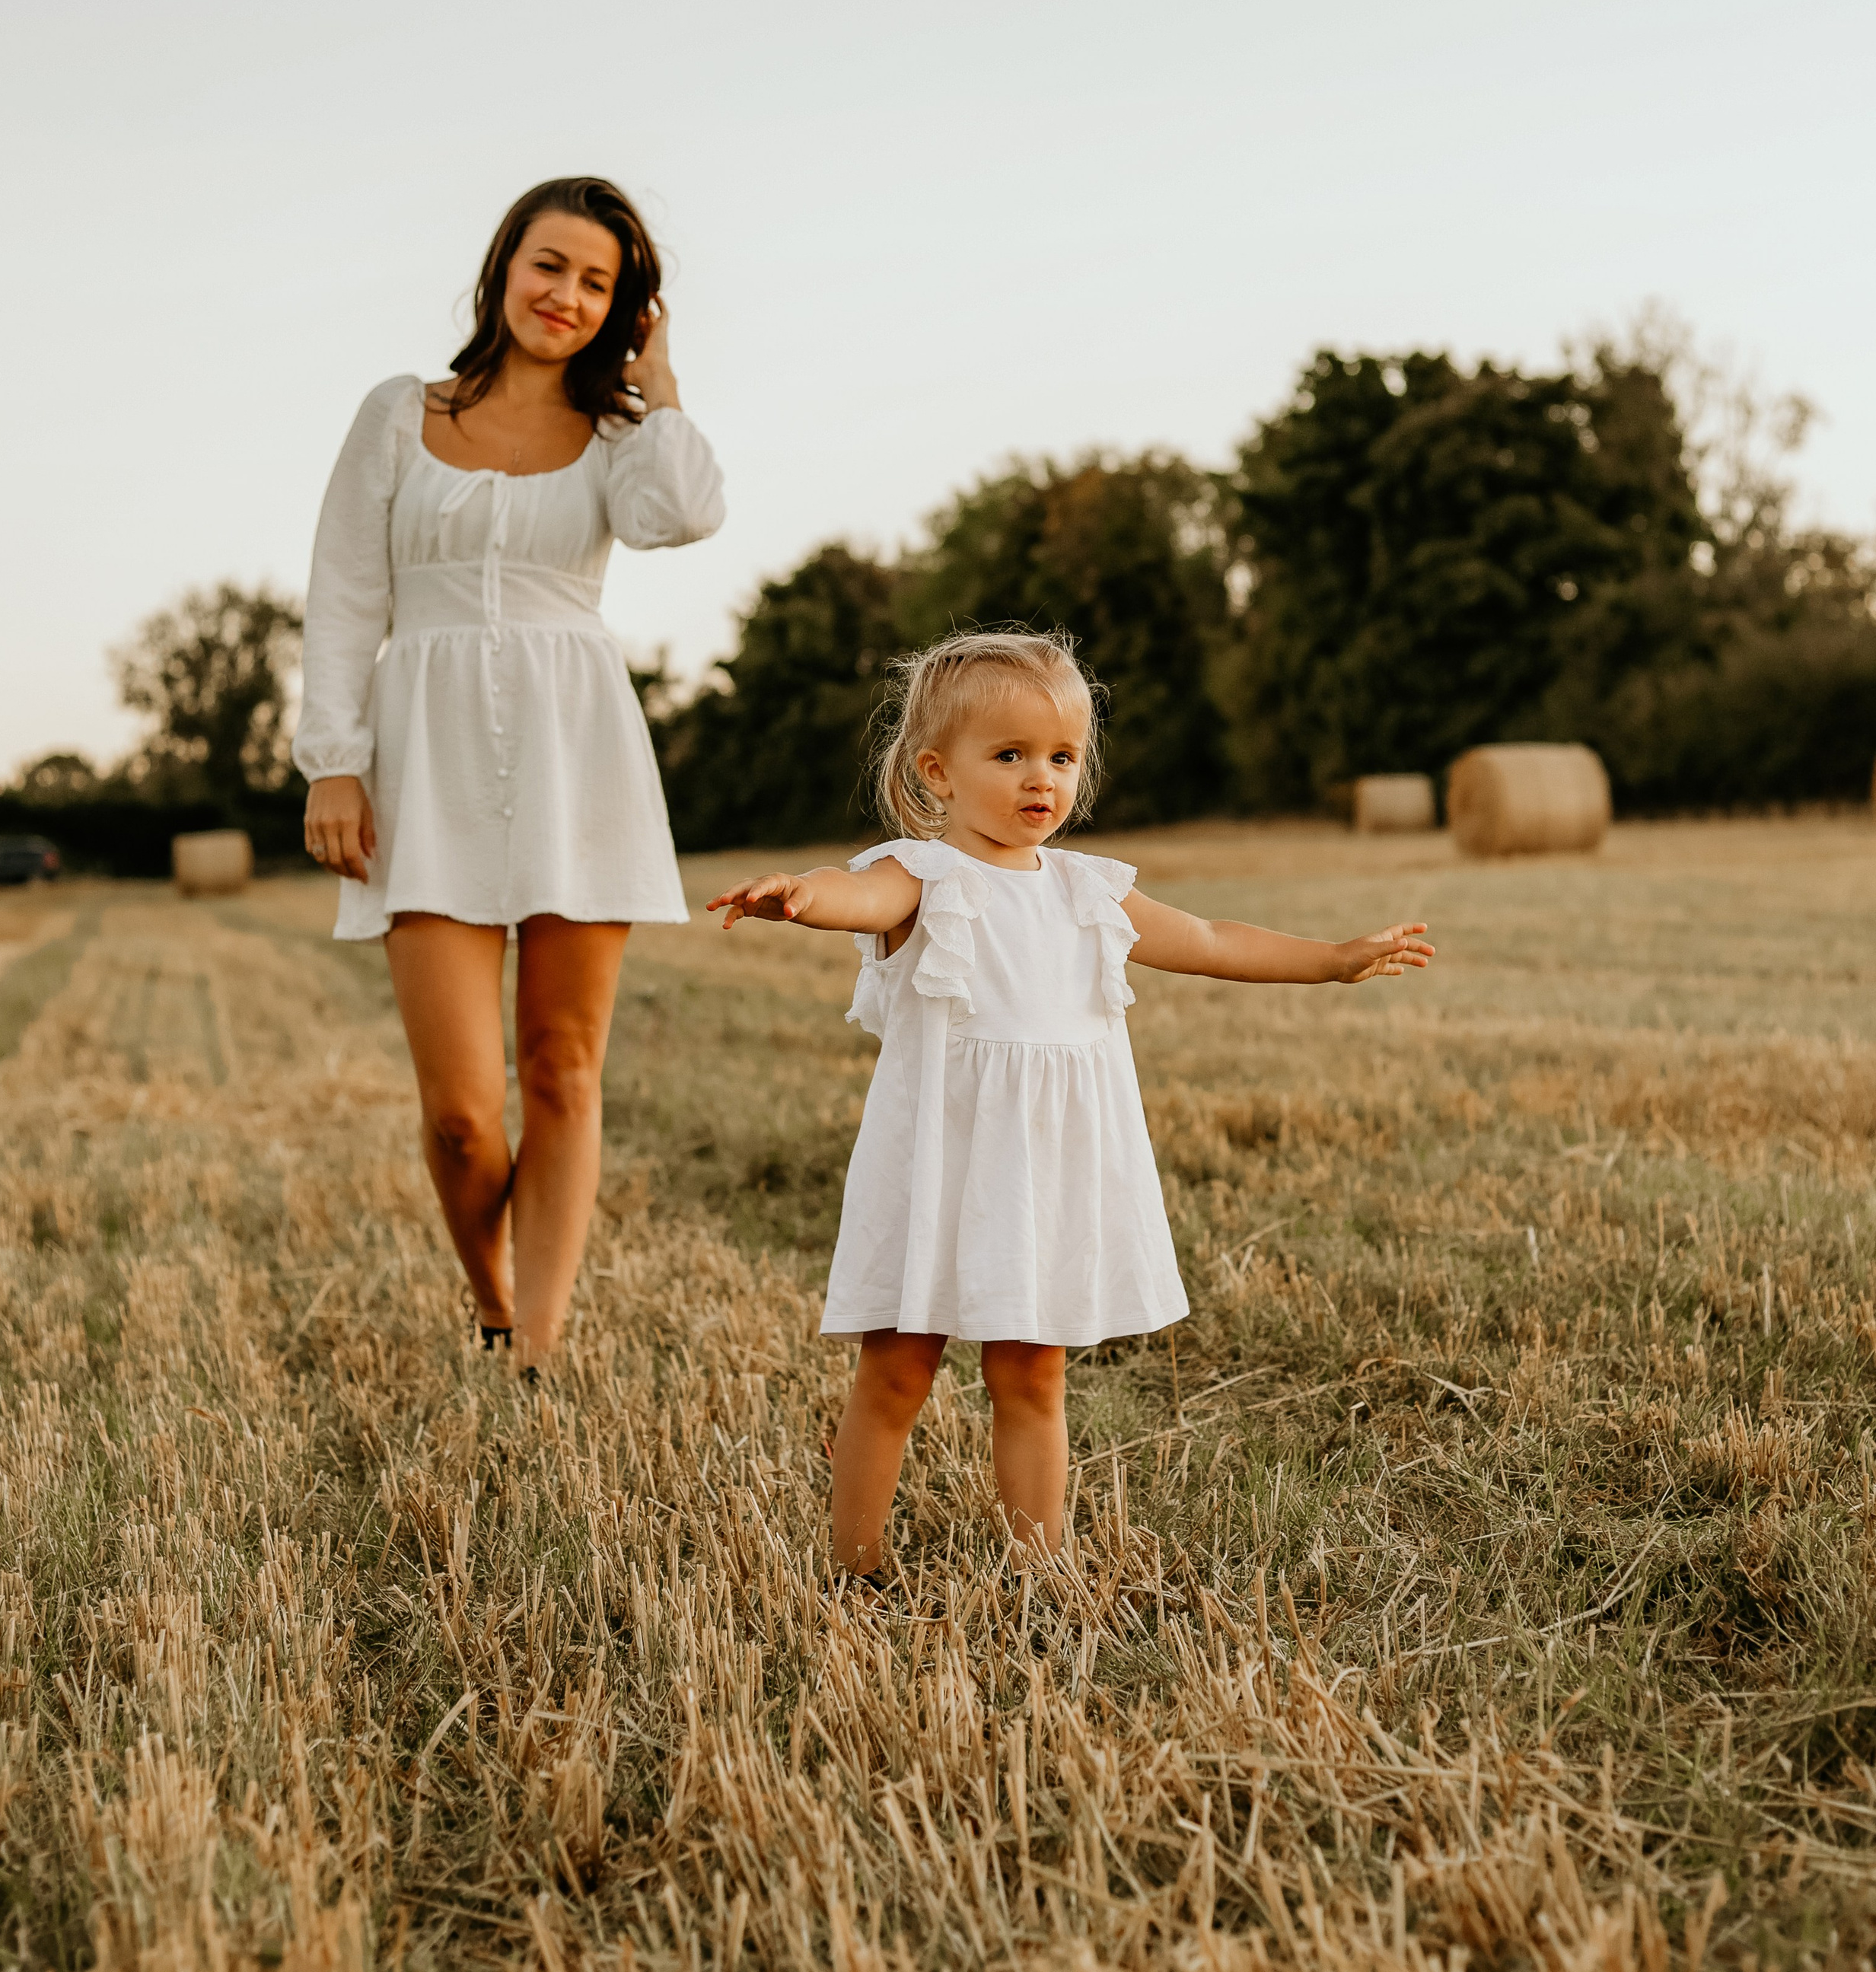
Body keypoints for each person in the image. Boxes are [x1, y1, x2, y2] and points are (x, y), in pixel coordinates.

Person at [708, 629, 1435, 1572]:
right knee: (895, 1370)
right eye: (1007, 755)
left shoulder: (1090, 892)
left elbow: (1212, 939)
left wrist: (1330, 960)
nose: (1038, 779)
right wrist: (796, 898)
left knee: (1034, 1373)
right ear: (938, 771)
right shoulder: (924, 877)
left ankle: (1037, 1568)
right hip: (939, 1162)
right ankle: (855, 1566)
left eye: (1059, 756)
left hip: (1042, 1177)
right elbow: (854, 895)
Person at [294, 177, 724, 1375]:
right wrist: (335, 764)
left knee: (563, 1067)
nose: (568, 297)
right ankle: (491, 1293)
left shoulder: (624, 437)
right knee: (461, 1112)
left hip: (573, 747)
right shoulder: (399, 412)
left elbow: (684, 517)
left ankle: (534, 1347)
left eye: (600, 283)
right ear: (502, 269)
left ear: (625, 309)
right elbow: (342, 597)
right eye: (551, 266)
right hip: (418, 754)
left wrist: (665, 377)